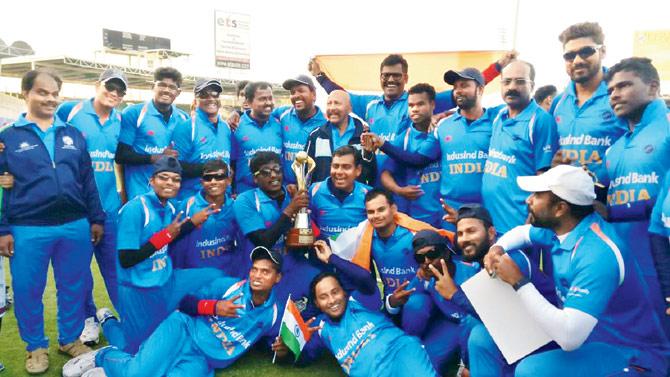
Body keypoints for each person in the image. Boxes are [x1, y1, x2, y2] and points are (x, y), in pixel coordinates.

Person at [482, 165, 669, 376]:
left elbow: (569, 337)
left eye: (537, 195)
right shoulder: (563, 228)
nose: (528, 200)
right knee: (486, 339)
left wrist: (519, 281)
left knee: (530, 371)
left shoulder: (598, 254)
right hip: (586, 338)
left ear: (560, 208)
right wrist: (497, 249)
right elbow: (523, 233)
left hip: (628, 354)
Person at [0, 69, 105, 373]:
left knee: (73, 285)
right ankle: (35, 346)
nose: (49, 98)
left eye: (54, 93)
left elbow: (87, 180)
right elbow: (1, 189)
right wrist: (3, 228)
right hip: (27, 228)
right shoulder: (8, 137)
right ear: (26, 94)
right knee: (28, 289)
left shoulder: (71, 133)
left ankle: (70, 339)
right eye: (42, 92)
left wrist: (95, 217)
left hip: (74, 224)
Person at [63, 246, 283, 377]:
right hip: (182, 330)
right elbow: (186, 303)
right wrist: (215, 307)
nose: (257, 275)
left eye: (265, 272)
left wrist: (282, 350)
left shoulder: (273, 313)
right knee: (139, 374)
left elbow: (276, 343)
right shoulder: (229, 286)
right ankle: (103, 356)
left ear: (278, 278)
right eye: (254, 269)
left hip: (204, 358)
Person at [309, 53, 514, 184]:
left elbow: (464, 90)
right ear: (380, 77)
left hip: (405, 180)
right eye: (386, 75)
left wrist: (498, 67)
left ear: (405, 78)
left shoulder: (419, 100)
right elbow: (340, 94)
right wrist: (320, 77)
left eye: (397, 75)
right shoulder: (369, 104)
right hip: (373, 182)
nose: (390, 79)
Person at [99, 156, 222, 354]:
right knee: (135, 349)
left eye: (175, 179)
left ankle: (203, 324)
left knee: (216, 277)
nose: (170, 183)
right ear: (152, 180)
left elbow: (174, 233)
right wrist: (164, 236)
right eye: (164, 178)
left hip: (166, 282)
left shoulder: (170, 207)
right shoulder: (135, 208)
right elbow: (126, 259)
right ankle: (108, 321)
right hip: (137, 288)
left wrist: (193, 222)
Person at [57, 68, 127, 345]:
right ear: (97, 85)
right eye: (110, 87)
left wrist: (121, 190)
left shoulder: (119, 119)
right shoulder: (69, 111)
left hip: (108, 208)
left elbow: (119, 157)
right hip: (76, 209)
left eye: (120, 91)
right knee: (79, 271)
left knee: (115, 268)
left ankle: (129, 317)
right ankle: (89, 320)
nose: (114, 93)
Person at [603, 57, 670, 331]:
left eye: (624, 85)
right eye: (610, 91)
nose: (615, 94)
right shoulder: (615, 148)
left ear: (653, 87)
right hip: (625, 261)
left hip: (660, 262)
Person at [274, 272, 438, 377]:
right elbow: (304, 358)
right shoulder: (319, 327)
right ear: (316, 303)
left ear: (344, 292)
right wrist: (285, 351)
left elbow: (366, 279)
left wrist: (331, 258)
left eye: (335, 292)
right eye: (323, 297)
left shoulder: (358, 300)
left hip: (400, 353)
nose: (332, 300)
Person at [481, 60, 559, 233]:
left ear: (532, 85)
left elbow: (544, 177)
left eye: (520, 81)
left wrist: (532, 219)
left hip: (518, 224)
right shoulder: (499, 116)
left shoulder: (540, 120)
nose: (512, 87)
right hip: (492, 224)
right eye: (507, 81)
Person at [386, 230, 479, 374]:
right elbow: (407, 298)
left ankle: (467, 363)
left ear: (446, 253)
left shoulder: (472, 273)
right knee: (425, 362)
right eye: (420, 257)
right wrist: (393, 302)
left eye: (432, 254)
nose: (426, 262)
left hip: (474, 326)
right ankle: (409, 347)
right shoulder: (425, 276)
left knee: (472, 324)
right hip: (449, 323)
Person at [551, 22, 627, 183]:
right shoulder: (558, 103)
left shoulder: (620, 96)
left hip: (609, 198)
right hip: (568, 201)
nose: (577, 60)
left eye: (586, 51)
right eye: (569, 56)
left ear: (603, 51)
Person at [115, 67, 189, 200]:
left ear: (178, 92)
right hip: (139, 194)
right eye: (161, 85)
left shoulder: (184, 119)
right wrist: (155, 158)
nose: (166, 90)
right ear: (152, 87)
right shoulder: (134, 113)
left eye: (172, 87)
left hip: (171, 197)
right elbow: (121, 155)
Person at [375, 83, 442, 227]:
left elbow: (417, 160)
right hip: (416, 216)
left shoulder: (441, 130)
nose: (415, 109)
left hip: (444, 214)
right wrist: (399, 190)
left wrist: (382, 144)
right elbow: (385, 174)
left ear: (432, 104)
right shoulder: (403, 138)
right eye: (411, 105)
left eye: (420, 104)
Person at [171, 159, 241, 277]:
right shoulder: (187, 206)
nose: (213, 182)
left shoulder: (236, 206)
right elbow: (175, 245)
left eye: (219, 177)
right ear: (202, 182)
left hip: (227, 277)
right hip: (195, 279)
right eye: (208, 178)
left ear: (228, 180)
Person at [171, 78, 232, 201]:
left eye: (215, 94)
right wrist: (208, 169)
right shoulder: (187, 126)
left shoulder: (225, 127)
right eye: (204, 95)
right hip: (194, 200)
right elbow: (175, 166)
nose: (211, 99)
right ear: (196, 100)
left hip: (223, 200)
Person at [304, 90, 376, 185]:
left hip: (354, 197)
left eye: (337, 103)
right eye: (329, 104)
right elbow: (306, 171)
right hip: (323, 197)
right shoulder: (315, 135)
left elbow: (370, 174)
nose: (332, 108)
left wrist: (368, 155)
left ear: (350, 108)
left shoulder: (364, 135)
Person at [231, 82, 283, 194]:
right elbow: (231, 163)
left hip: (275, 195)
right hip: (246, 193)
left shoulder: (279, 125)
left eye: (270, 98)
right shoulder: (236, 126)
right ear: (249, 102)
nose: (268, 103)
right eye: (262, 99)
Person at [279, 74, 327, 185]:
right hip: (286, 189)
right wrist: (236, 114)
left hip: (313, 189)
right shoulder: (282, 114)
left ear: (313, 95)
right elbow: (260, 115)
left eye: (301, 90)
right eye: (292, 92)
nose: (296, 95)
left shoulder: (326, 123)